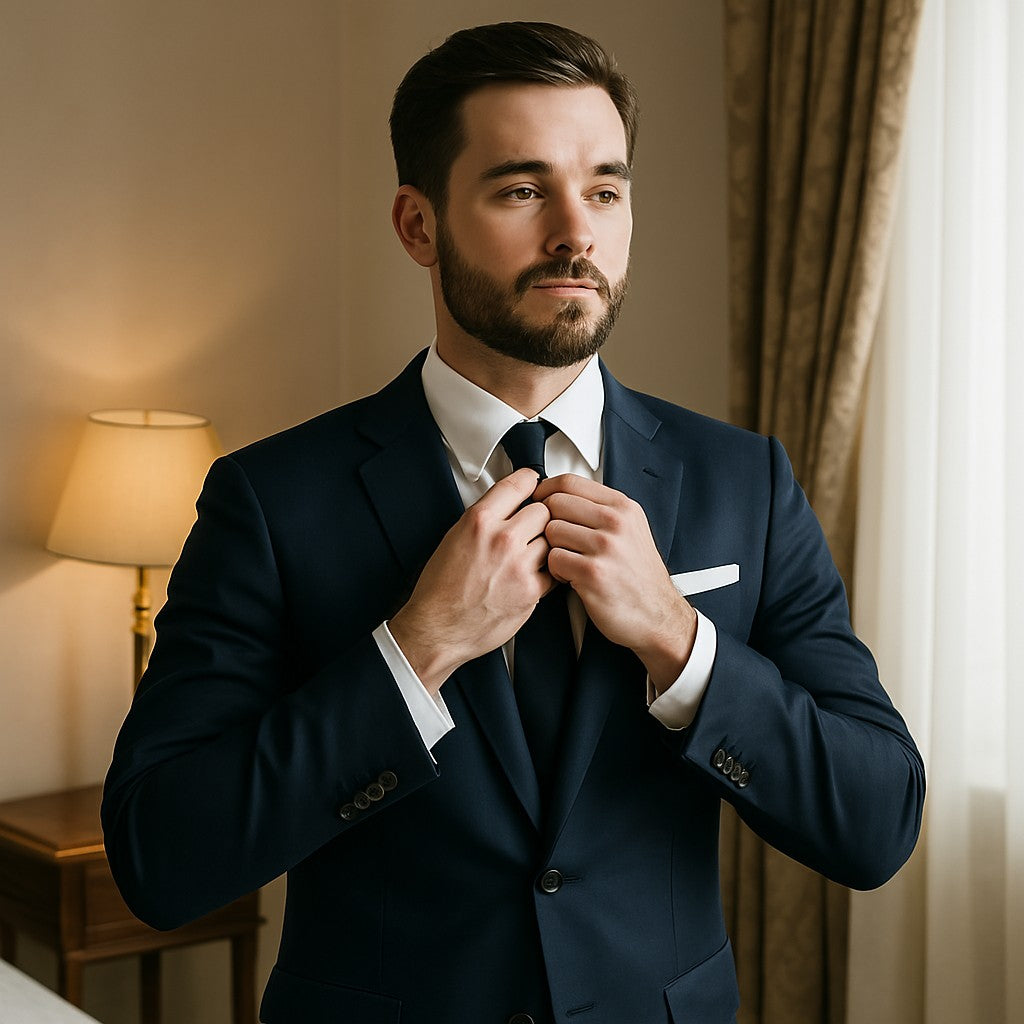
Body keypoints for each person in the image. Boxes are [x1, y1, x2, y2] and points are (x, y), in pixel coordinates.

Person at [101, 22, 924, 1024]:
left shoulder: (742, 481)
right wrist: (417, 648)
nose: (575, 230)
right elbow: (161, 858)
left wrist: (677, 638)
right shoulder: (272, 501)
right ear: (417, 225)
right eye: (522, 189)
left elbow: (876, 821)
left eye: (605, 189)